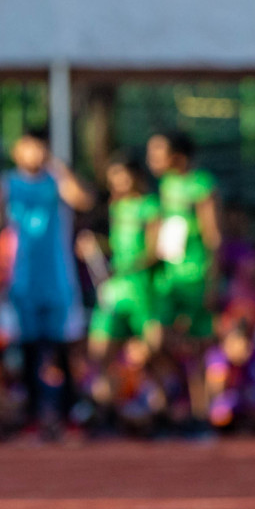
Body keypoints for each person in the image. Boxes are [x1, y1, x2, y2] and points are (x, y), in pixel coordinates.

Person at [0, 130, 95, 437]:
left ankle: (68, 416)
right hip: (23, 281)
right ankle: (33, 418)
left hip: (59, 280)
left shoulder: (57, 180)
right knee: (29, 352)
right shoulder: (7, 183)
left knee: (63, 351)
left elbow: (84, 199)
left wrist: (58, 167)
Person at [147, 131, 221, 342]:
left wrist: (212, 283)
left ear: (178, 156)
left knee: (197, 343)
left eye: (158, 153)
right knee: (158, 336)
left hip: (196, 276)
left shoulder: (201, 185)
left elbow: (213, 235)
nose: (151, 160)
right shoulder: (166, 184)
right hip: (170, 276)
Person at [87, 155, 160, 363]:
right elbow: (116, 246)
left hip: (142, 289)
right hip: (115, 289)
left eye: (122, 176)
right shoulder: (116, 207)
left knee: (150, 354)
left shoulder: (150, 207)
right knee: (99, 353)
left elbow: (154, 251)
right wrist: (95, 246)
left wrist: (125, 268)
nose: (117, 183)